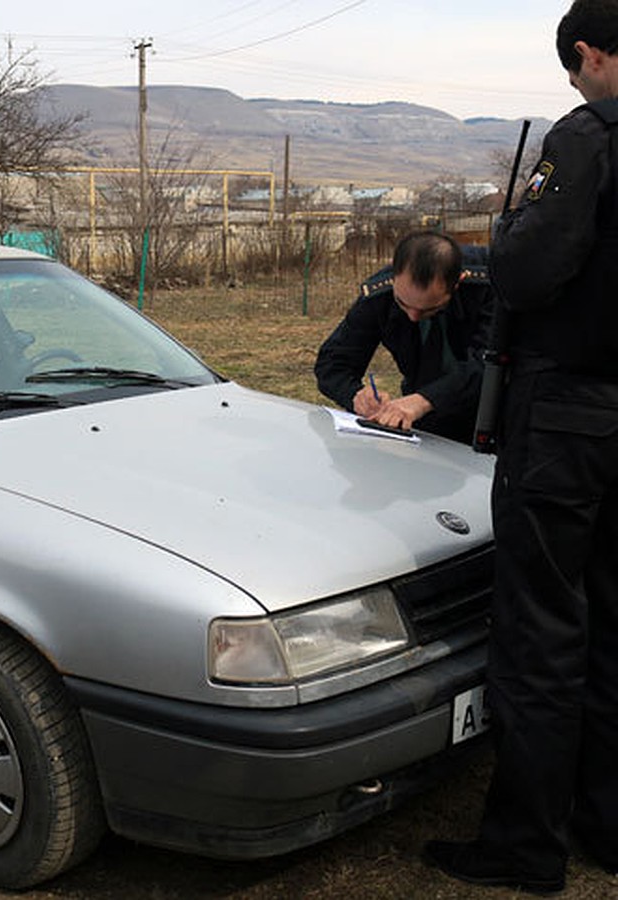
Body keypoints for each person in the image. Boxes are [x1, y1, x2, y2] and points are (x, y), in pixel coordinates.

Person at [423, 1, 618, 894]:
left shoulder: (586, 138)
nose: (575, 86)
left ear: (587, 55)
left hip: (569, 414)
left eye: (574, 72)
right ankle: (603, 822)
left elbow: (533, 268)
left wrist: (503, 240)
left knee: (541, 627)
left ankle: (525, 845)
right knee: (611, 624)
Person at [314, 231, 492, 443]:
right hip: (428, 420)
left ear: (457, 283)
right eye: (403, 304)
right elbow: (332, 363)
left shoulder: (492, 287)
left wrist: (424, 400)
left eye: (430, 309)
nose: (413, 316)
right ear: (395, 276)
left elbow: (489, 365)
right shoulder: (380, 295)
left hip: (495, 416)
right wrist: (355, 396)